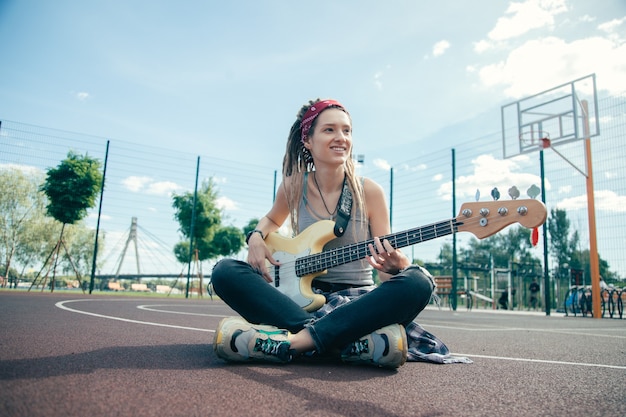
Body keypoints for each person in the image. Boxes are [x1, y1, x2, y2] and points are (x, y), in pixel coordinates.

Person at [211, 99, 470, 368]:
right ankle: (347, 342)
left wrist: (398, 265)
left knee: (418, 281)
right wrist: (255, 237)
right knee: (225, 271)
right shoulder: (293, 185)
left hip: (357, 303)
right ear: (308, 141)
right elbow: (270, 219)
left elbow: (384, 271)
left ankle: (295, 343)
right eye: (329, 130)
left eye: (346, 131)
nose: (341, 138)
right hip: (296, 302)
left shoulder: (369, 191)